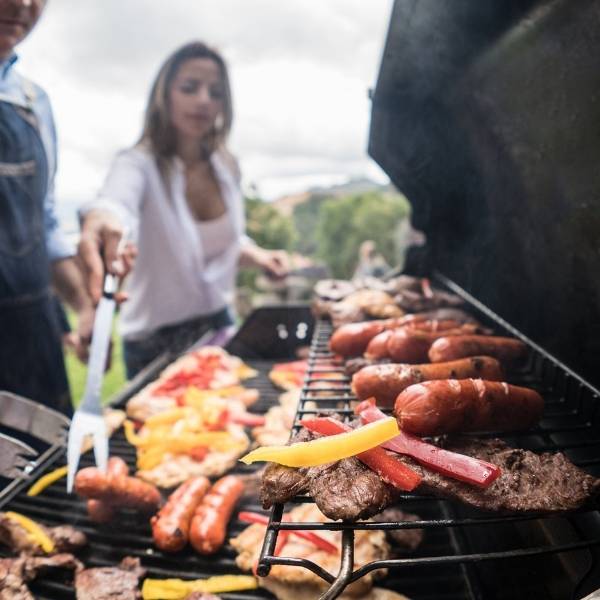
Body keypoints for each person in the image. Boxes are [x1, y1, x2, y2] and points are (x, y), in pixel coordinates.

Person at [79, 41, 289, 378]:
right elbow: (114, 203)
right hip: (154, 345)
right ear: (165, 95)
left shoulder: (226, 166)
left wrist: (259, 256)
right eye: (190, 88)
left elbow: (222, 243)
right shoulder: (137, 164)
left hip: (220, 327)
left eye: (215, 92)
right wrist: (102, 219)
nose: (204, 100)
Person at [0, 0, 94, 416]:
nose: (23, 3)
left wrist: (83, 306)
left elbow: (46, 222)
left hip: (33, 332)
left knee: (45, 474)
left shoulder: (34, 102)